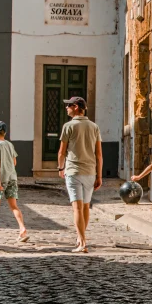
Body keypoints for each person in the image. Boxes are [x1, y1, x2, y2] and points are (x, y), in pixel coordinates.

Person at [57, 96, 102, 253]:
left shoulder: (68, 126)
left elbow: (62, 152)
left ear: (76, 107)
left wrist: (60, 168)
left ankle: (82, 242)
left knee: (77, 208)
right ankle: (80, 237)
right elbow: (99, 155)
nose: (66, 108)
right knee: (85, 208)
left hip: (74, 171)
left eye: (68, 106)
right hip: (90, 172)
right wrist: (99, 175)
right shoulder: (94, 127)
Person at [0, 121, 29, 243]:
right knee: (14, 206)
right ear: (5, 132)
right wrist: (4, 166)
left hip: (1, 179)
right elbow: (14, 162)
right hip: (12, 177)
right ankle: (22, 228)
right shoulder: (9, 144)